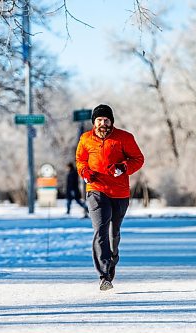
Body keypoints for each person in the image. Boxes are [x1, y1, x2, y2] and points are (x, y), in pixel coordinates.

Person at [75, 104, 144, 291]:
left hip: (120, 192)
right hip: (96, 189)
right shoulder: (85, 139)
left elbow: (138, 159)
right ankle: (103, 275)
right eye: (99, 120)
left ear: (111, 121)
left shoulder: (124, 138)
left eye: (106, 120)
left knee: (113, 233)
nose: (102, 123)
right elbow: (81, 160)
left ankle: (112, 260)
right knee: (100, 230)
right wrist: (85, 172)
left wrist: (123, 167)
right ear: (94, 123)